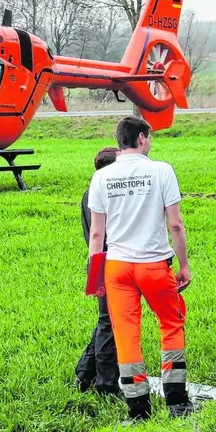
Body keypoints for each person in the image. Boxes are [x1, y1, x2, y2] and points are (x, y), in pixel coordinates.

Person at [86, 117, 193, 420]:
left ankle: (138, 409)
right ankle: (176, 401)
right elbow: (175, 223)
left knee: (126, 335)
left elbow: (96, 234)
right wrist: (183, 264)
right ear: (142, 138)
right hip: (154, 265)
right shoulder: (161, 171)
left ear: (119, 141)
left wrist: (96, 279)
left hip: (117, 267)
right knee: (171, 325)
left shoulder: (102, 177)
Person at [73, 146, 121, 399]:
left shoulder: (88, 193)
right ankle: (106, 382)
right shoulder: (102, 195)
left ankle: (84, 373)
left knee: (107, 320)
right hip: (107, 262)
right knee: (109, 322)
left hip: (97, 261)